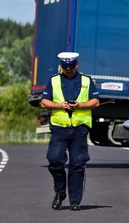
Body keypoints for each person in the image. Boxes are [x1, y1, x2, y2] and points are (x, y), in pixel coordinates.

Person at [40, 52, 100, 211]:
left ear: (76, 65)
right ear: (61, 66)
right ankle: (60, 193)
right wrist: (59, 105)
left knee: (77, 164)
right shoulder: (54, 80)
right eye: (65, 67)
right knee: (54, 160)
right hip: (59, 129)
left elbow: (95, 101)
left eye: (71, 67)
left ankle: (75, 201)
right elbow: (44, 102)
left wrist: (79, 105)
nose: (68, 70)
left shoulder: (86, 80)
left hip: (80, 129)